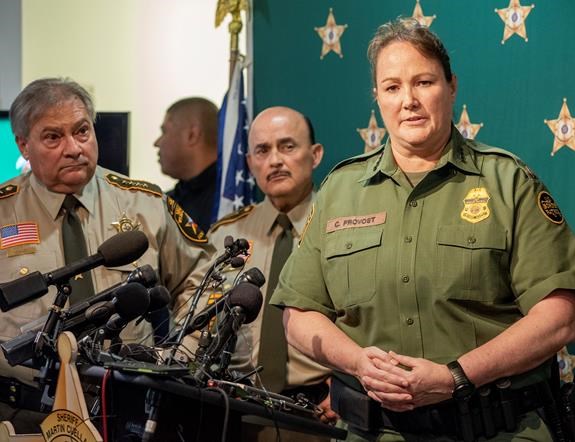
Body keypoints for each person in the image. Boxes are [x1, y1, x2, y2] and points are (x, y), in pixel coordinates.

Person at [270, 18, 575, 441]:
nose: (408, 101)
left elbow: (558, 320)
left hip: (494, 430)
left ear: (451, 86)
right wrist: (357, 363)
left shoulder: (508, 182)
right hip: (373, 432)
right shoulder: (339, 190)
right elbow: (299, 314)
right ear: (377, 97)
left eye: (423, 82)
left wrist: (454, 376)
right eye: (392, 87)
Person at [0, 78, 214, 431]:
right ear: (24, 145)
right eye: (53, 137)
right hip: (25, 415)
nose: (73, 148)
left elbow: (209, 279)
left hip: (129, 409)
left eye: (82, 131)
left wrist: (182, 353)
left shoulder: (145, 205)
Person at [207, 106, 337, 440]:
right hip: (236, 409)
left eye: (287, 146)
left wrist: (348, 387)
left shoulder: (343, 227)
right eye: (263, 151)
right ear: (250, 163)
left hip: (318, 413)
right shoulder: (226, 236)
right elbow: (203, 321)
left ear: (315, 154)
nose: (275, 160)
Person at [155, 97, 219, 232]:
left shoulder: (226, 202)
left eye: (164, 131)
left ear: (192, 135)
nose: (156, 143)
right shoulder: (165, 202)